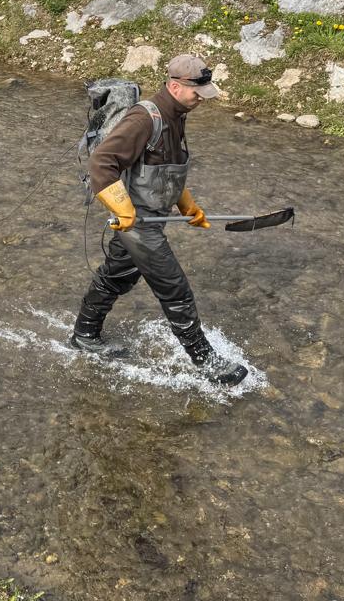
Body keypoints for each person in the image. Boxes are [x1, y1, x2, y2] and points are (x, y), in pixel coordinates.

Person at [72, 54, 249, 386]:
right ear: (175, 86)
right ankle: (207, 362)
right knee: (175, 289)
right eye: (197, 92)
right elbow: (102, 162)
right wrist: (123, 210)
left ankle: (84, 334)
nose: (202, 99)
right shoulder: (144, 119)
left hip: (154, 218)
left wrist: (188, 206)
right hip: (138, 225)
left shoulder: (177, 116)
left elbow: (166, 171)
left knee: (116, 277)